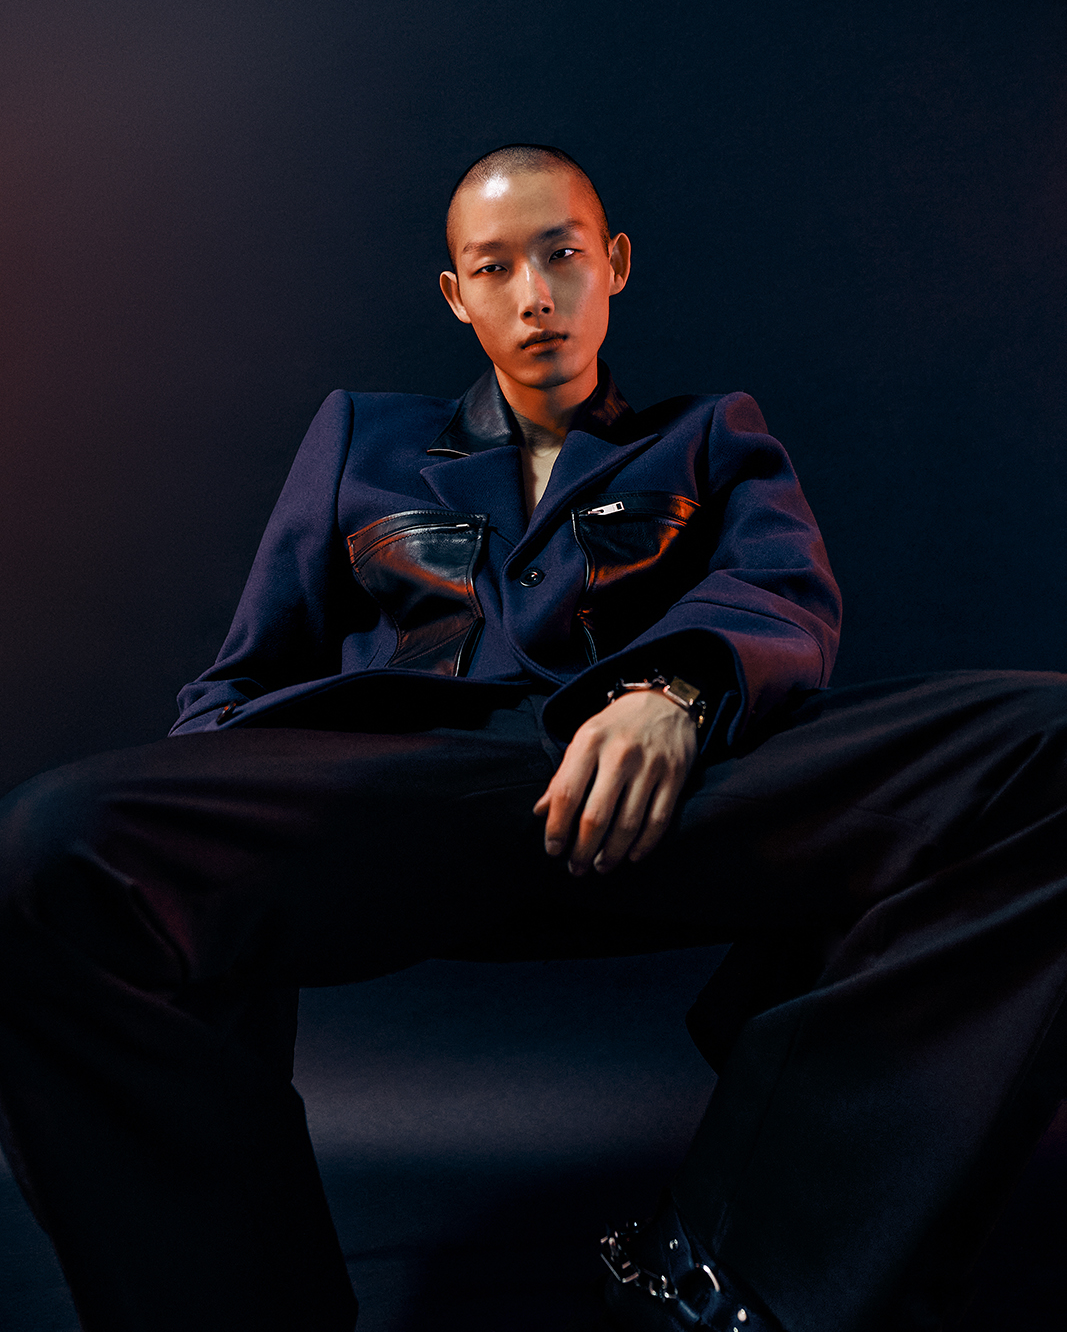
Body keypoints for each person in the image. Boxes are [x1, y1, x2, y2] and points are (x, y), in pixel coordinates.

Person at [0, 142, 1064, 1332]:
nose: (533, 294)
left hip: (671, 790)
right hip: (409, 793)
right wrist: (211, 858)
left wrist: (672, 689)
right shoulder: (360, 439)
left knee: (1049, 741)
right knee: (52, 843)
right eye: (494, 267)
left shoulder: (709, 433)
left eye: (560, 255)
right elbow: (244, 679)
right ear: (456, 295)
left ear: (613, 264)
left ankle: (722, 1272)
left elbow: (781, 595)